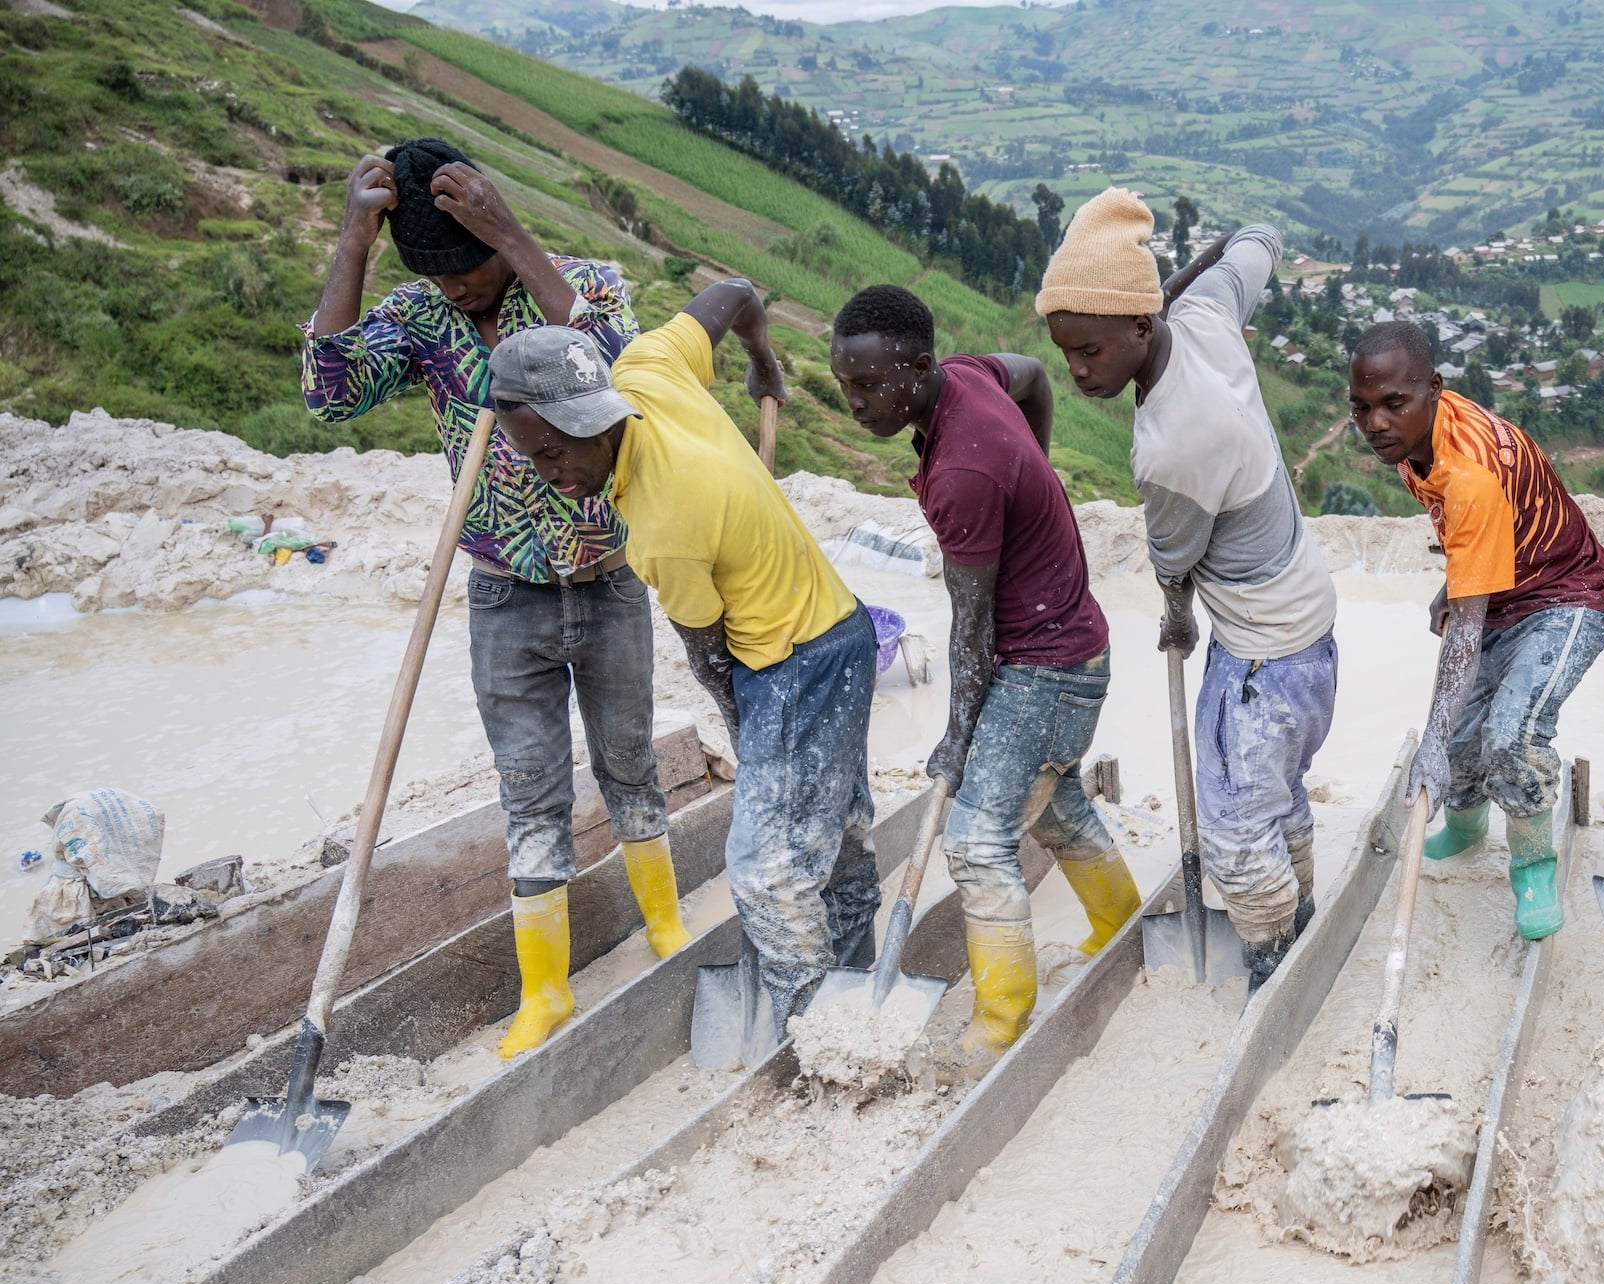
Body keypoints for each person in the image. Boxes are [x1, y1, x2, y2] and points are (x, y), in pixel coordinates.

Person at [303, 137, 683, 1061]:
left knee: (630, 760)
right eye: (442, 273)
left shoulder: (573, 282)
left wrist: (512, 240)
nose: (462, 287)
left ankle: (668, 932)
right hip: (505, 596)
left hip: (606, 580)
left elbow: (623, 362)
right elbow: (328, 393)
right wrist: (353, 241)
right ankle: (544, 990)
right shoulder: (422, 318)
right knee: (530, 790)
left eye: (469, 265)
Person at [486, 281, 881, 1032]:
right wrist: (763, 360)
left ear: (594, 419)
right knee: (839, 833)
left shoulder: (661, 523)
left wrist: (754, 744)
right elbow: (735, 294)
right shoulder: (645, 365)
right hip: (844, 631)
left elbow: (711, 660)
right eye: (531, 454)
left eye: (555, 450)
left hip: (794, 663)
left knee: (766, 869)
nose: (550, 472)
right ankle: (852, 974)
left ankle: (819, 1037)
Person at [829, 283, 1137, 1073]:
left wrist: (955, 740)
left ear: (920, 366)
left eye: (869, 386)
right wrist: (1033, 461)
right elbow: (1031, 373)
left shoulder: (964, 470)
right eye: (845, 383)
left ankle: (1001, 1018)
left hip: (1050, 669)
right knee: (1050, 801)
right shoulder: (965, 378)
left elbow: (970, 632)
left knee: (974, 838)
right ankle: (1121, 921)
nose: (855, 402)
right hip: (1068, 648)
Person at [1039, 192, 1338, 986]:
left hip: (1260, 657)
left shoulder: (1174, 441)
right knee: (1271, 791)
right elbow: (1259, 239)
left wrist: (1176, 621)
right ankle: (1299, 906)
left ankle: (1273, 961)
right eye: (1066, 350)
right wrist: (1190, 277)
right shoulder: (1202, 311)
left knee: (1234, 830)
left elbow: (1175, 563)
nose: (1077, 370)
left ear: (1140, 326)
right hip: (1309, 625)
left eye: (1090, 350)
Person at [1347, 322, 1604, 939]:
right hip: (1505, 586)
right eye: (1361, 409)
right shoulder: (1415, 439)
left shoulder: (1467, 472)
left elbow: (1465, 634)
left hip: (1567, 593)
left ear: (1433, 390)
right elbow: (1470, 532)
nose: (1376, 424)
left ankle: (1532, 867)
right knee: (1464, 729)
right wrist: (1456, 581)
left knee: (1509, 733)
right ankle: (1468, 830)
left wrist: (1430, 745)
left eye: (1393, 404)